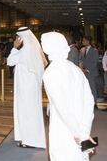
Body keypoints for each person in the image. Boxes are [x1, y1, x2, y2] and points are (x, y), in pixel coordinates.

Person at [41, 32, 95, 161]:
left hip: (64, 129)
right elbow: (89, 100)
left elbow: (62, 109)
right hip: (81, 125)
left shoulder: (50, 72)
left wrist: (79, 134)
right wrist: (85, 130)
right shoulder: (75, 69)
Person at [7, 27, 47, 148]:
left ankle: (30, 140)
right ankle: (27, 138)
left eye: (18, 37)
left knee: (27, 113)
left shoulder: (25, 50)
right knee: (31, 112)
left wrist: (14, 47)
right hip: (31, 88)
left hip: (25, 89)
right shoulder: (33, 50)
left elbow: (10, 61)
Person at [80, 36, 103, 102]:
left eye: (84, 41)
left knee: (92, 88)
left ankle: (94, 102)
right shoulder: (82, 49)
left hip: (91, 73)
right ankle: (87, 102)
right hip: (83, 72)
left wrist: (87, 70)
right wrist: (81, 68)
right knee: (85, 88)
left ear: (88, 41)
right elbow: (81, 59)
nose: (82, 42)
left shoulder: (94, 50)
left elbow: (95, 62)